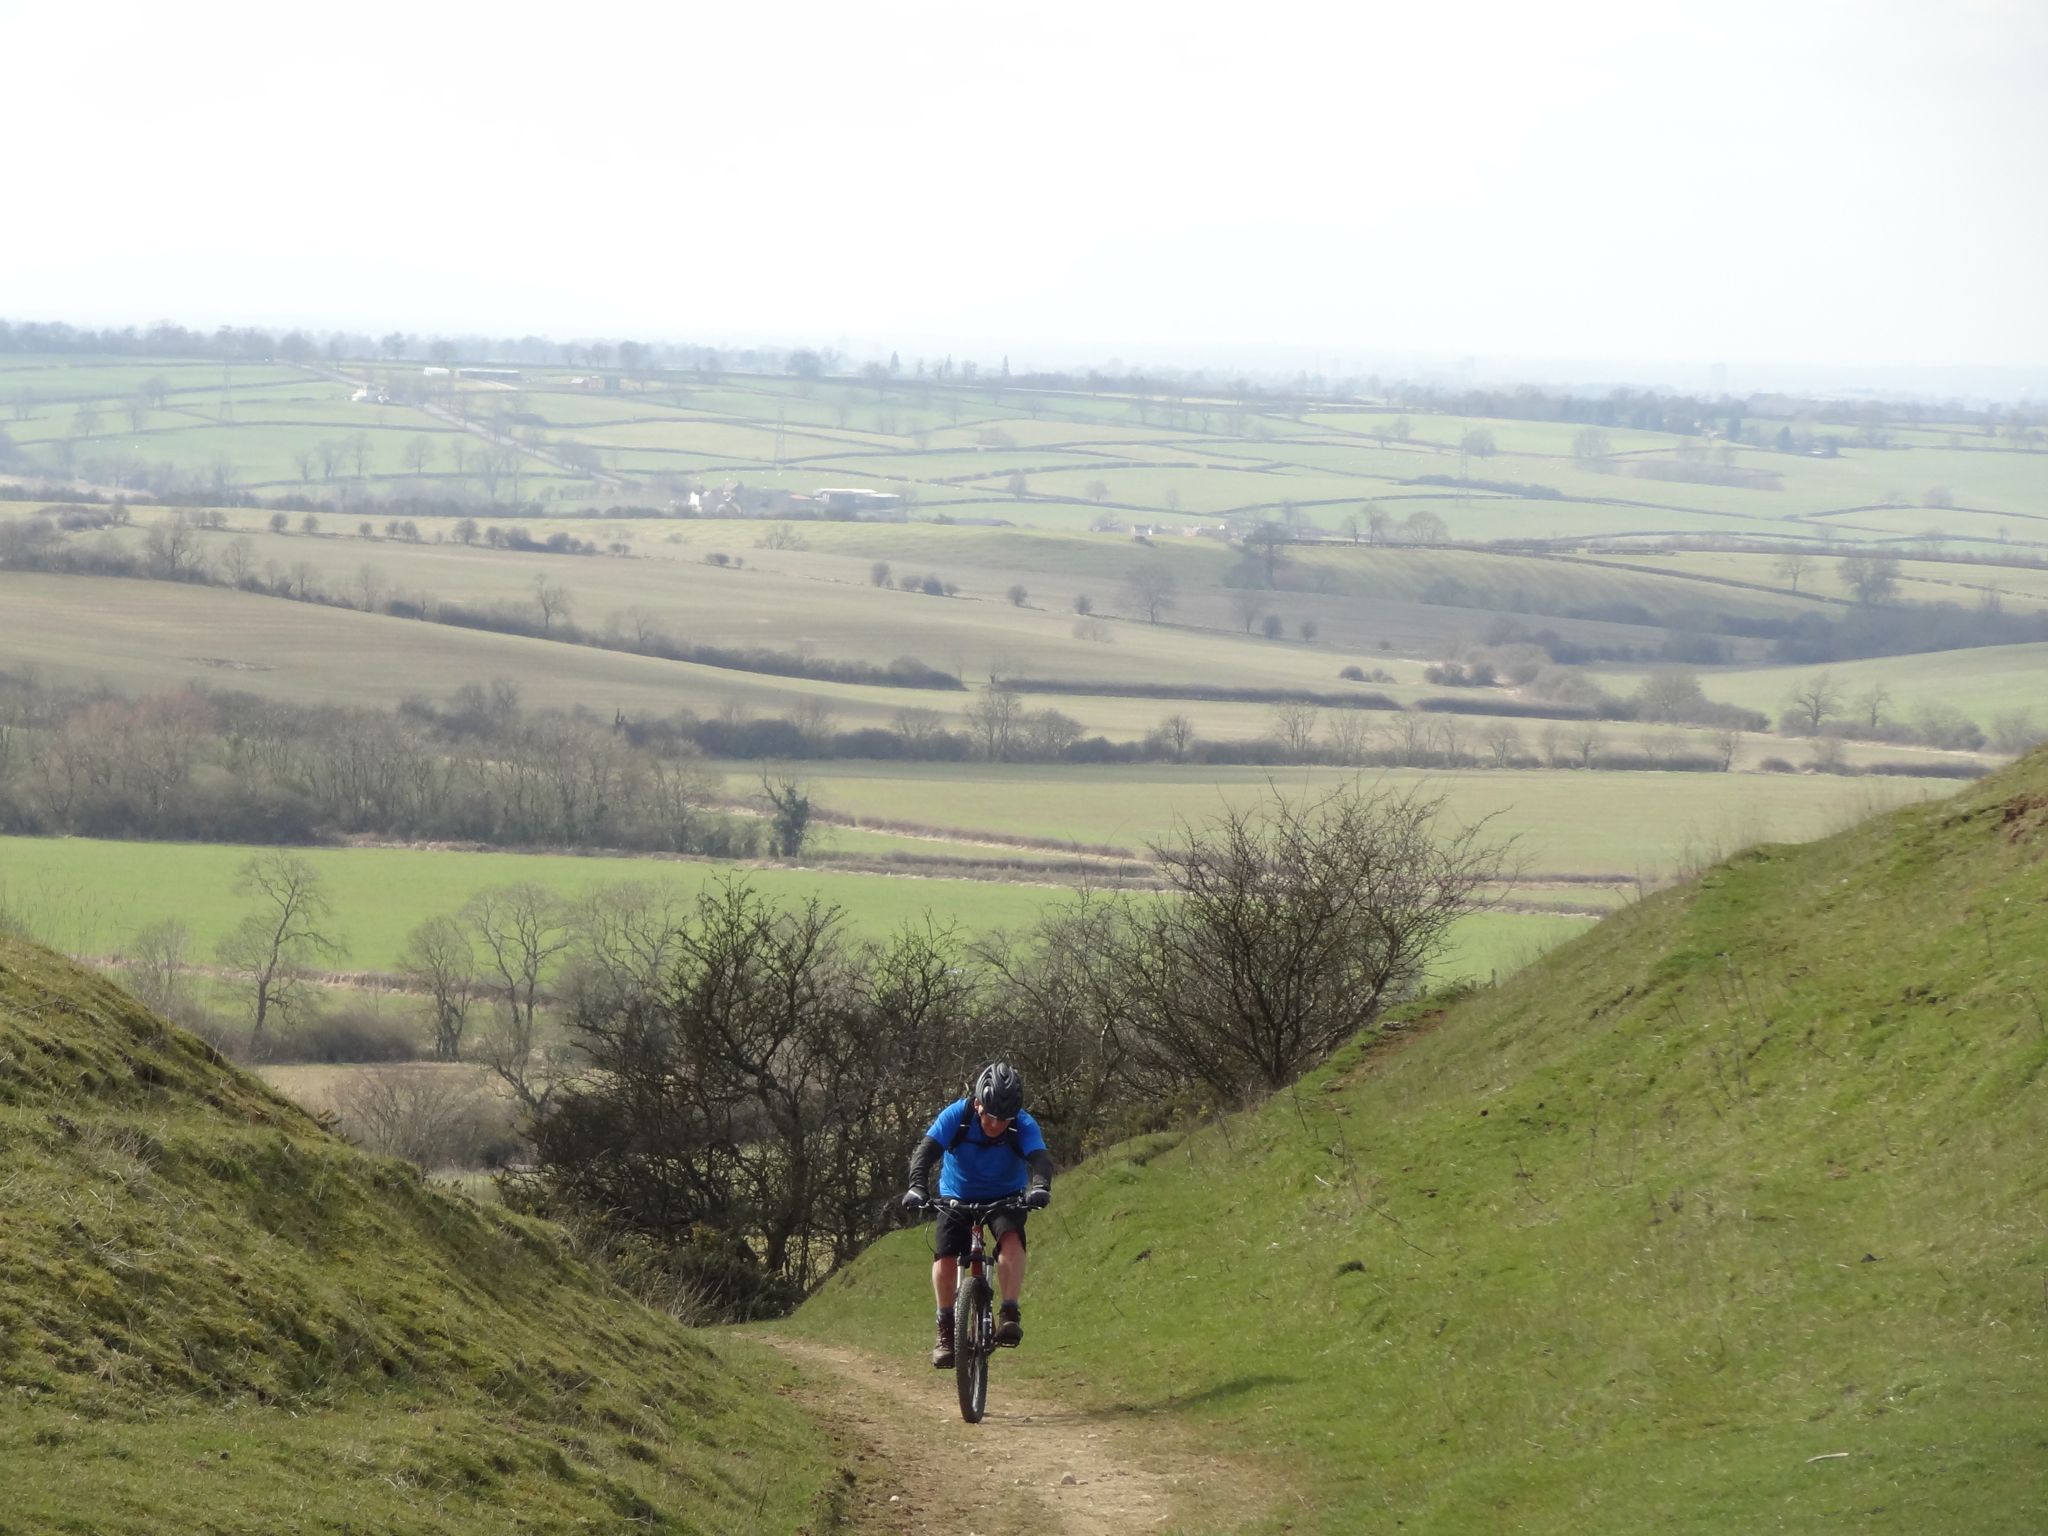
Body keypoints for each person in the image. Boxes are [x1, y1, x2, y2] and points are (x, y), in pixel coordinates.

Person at [902, 1061, 1054, 1369]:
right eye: (990, 1115)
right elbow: (926, 1152)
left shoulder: (1023, 1124)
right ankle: (946, 1330)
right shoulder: (956, 1116)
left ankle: (1009, 1313)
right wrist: (917, 1187)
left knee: (1011, 1242)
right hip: (956, 1196)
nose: (996, 1124)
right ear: (977, 1104)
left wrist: (1040, 1186)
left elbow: (1040, 1159)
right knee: (945, 1259)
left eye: (1004, 1119)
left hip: (1005, 1197)